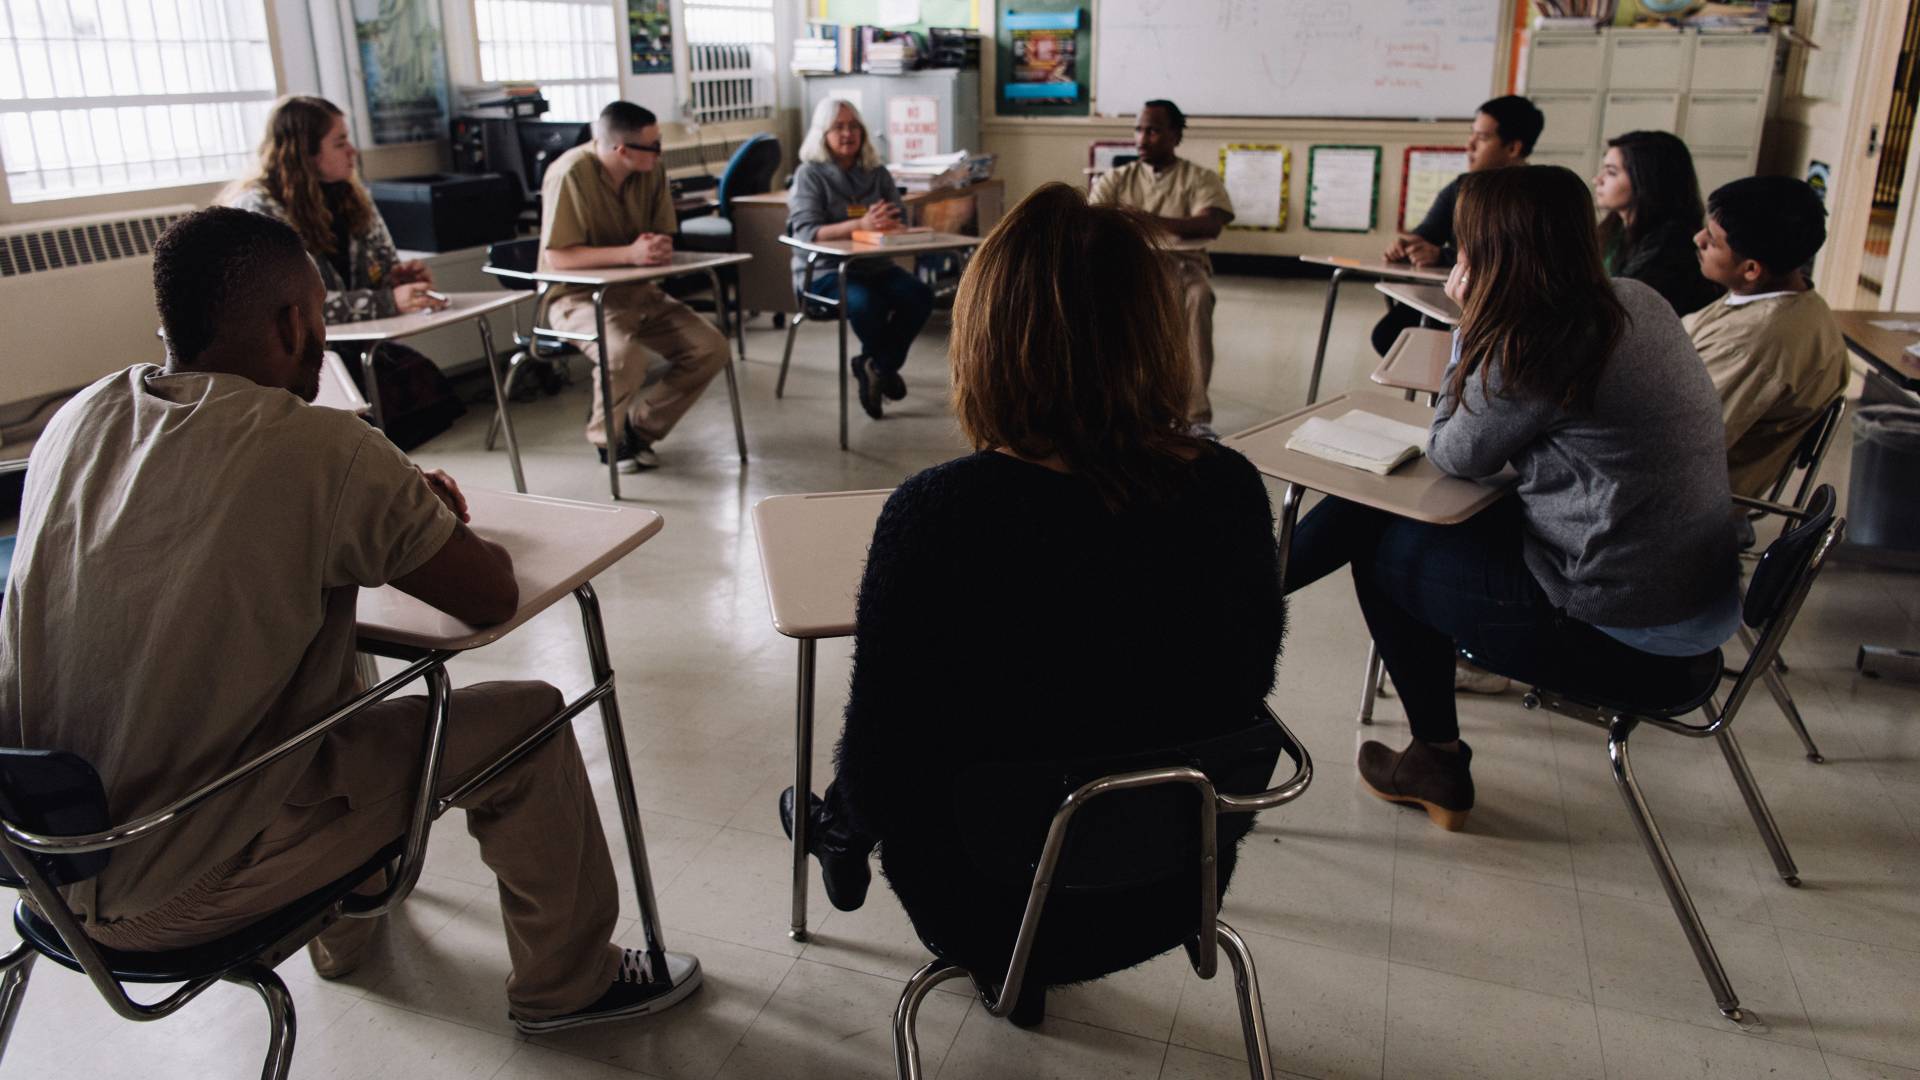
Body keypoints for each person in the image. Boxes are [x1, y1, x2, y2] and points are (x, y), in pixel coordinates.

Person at [0, 207, 696, 1034]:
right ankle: (570, 983)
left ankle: (347, 939)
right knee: (532, 720)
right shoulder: (322, 449)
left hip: (43, 860)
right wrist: (409, 510)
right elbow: (488, 597)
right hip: (180, 882)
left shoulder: (80, 417)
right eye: (319, 315)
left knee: (324, 672)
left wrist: (384, 507)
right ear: (295, 321)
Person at [777, 183, 1285, 1023]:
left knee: (880, 774)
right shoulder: (1226, 487)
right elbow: (1244, 680)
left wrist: (848, 819)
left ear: (986, 337)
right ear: (1152, 331)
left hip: (988, 899)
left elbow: (882, 757)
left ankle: (833, 837)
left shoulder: (942, 515)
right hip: (1176, 880)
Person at [1283, 166, 1740, 831]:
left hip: (1621, 635)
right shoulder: (1635, 298)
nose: (1458, 257)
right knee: (1380, 511)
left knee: (1381, 547)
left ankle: (1432, 755)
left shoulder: (1536, 339)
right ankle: (1241, 603)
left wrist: (1471, 324)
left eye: (1467, 244)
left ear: (1493, 253)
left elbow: (1456, 450)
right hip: (1690, 607)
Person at [220, 95, 463, 450]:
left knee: (420, 385)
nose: (353, 151)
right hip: (292, 357)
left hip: (352, 343)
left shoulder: (351, 196)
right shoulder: (258, 210)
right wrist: (386, 301)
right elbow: (293, 310)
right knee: (380, 398)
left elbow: (379, 270)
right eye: (340, 142)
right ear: (304, 151)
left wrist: (398, 281)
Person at [539, 100, 731, 472]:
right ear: (621, 150)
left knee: (710, 347)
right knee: (623, 357)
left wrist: (657, 248)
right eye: (654, 146)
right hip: (577, 298)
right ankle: (606, 439)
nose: (660, 153)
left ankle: (639, 429)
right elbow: (559, 258)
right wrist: (630, 253)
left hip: (640, 292)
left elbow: (661, 232)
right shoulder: (569, 174)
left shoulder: (651, 171)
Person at [1685, 176, 1848, 500]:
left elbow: (1675, 443)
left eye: (1713, 241)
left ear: (1751, 269)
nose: (1697, 238)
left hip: (1680, 506)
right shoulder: (1778, 296)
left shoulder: (1753, 344)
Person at [1090, 99, 1235, 437]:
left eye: (1153, 130)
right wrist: (1167, 225)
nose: (1142, 138)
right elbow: (1094, 221)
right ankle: (1112, 405)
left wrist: (1139, 218)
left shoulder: (1199, 178)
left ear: (1175, 135)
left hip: (1181, 265)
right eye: (1139, 129)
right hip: (1126, 264)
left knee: (1198, 297)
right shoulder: (1117, 178)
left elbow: (1209, 225)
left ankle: (1195, 417)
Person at [785, 97, 936, 421]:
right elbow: (807, 232)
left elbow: (901, 220)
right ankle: (884, 368)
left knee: (920, 295)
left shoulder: (877, 172)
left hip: (875, 264)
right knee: (868, 304)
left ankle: (875, 366)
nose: (847, 133)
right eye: (838, 127)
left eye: (854, 126)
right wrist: (860, 225)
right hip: (825, 271)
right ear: (822, 134)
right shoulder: (809, 175)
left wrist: (889, 224)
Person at [1372, 95, 1544, 355]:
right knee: (1389, 336)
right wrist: (1406, 246)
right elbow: (1425, 235)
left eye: (1483, 138)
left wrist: (1442, 255)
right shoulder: (1461, 188)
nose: (1469, 145)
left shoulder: (1537, 198)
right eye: (1471, 134)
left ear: (1513, 148)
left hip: (1505, 307)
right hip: (1452, 292)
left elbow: (1519, 262)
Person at [1594, 130, 1723, 317]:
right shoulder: (1615, 229)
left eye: (1611, 172)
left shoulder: (1671, 243)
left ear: (1646, 179)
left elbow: (1623, 308)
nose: (1597, 180)